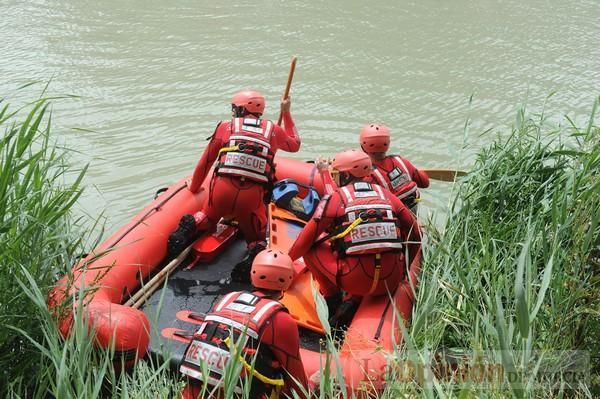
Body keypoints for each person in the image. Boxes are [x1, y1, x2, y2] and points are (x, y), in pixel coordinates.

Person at [168, 90, 301, 280]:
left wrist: (193, 188)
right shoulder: (274, 131)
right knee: (256, 238)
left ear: (240, 109)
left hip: (222, 190)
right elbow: (295, 144)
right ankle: (251, 258)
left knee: (207, 216)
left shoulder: (225, 127)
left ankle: (192, 224)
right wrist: (286, 112)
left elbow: (205, 163)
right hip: (251, 198)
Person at [287, 149, 421, 318]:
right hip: (391, 279)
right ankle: (355, 297)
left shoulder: (336, 198)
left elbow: (306, 240)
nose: (335, 177)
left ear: (346, 175)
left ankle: (331, 296)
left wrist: (286, 261)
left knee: (313, 246)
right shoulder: (387, 195)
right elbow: (415, 234)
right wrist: (405, 270)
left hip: (355, 280)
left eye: (336, 173)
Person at [180, 249, 308, 399]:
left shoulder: (227, 299)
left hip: (192, 391)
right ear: (288, 279)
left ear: (253, 273)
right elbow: (295, 376)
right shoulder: (280, 319)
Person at [359, 123, 429, 212]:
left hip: (395, 218)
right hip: (413, 211)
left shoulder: (369, 175)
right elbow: (425, 183)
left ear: (363, 147)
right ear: (388, 144)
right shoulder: (402, 162)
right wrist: (414, 171)